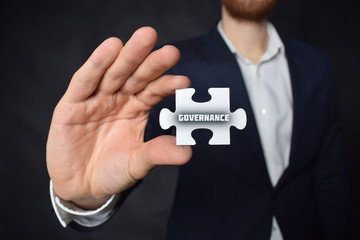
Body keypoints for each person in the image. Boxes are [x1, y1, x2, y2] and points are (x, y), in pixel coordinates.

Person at [46, 0, 350, 239]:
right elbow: (129, 154)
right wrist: (85, 196)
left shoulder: (316, 65)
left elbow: (330, 179)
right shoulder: (175, 66)